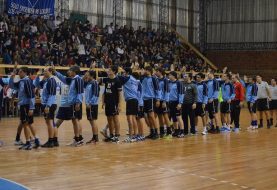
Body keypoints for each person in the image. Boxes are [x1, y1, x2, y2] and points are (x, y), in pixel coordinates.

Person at [9, 67, 40, 150]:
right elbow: (12, 86)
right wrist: (12, 77)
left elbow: (31, 95)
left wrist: (31, 108)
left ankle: (28, 143)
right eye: (19, 72)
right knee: (28, 123)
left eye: (20, 72)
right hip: (23, 105)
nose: (19, 73)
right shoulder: (21, 82)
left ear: (25, 72)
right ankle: (36, 141)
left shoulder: (27, 81)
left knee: (26, 123)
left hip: (26, 105)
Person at [54, 65, 84, 146]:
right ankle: (77, 139)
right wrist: (55, 71)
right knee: (74, 121)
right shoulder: (72, 80)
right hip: (72, 103)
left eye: (70, 70)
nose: (69, 72)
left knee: (75, 121)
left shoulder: (78, 79)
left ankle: (77, 140)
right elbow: (63, 78)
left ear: (74, 71)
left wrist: (78, 103)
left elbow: (80, 92)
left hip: (75, 103)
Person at [34, 68, 58, 148]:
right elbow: (37, 85)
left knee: (49, 122)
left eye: (45, 71)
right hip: (49, 104)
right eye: (43, 71)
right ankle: (55, 141)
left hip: (49, 104)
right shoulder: (46, 80)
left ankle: (50, 141)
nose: (44, 72)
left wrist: (48, 106)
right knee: (52, 122)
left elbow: (52, 94)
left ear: (50, 72)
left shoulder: (51, 81)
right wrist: (37, 76)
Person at [101, 66, 122, 143]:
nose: (108, 70)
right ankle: (111, 135)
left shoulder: (117, 80)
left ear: (114, 71)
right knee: (109, 118)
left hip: (114, 103)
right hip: (108, 102)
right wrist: (103, 102)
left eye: (110, 70)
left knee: (115, 119)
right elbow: (105, 91)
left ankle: (117, 135)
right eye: (108, 69)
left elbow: (119, 93)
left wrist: (119, 104)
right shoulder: (106, 79)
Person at [118, 67, 139, 143]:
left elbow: (117, 76)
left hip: (130, 100)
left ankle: (130, 136)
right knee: (133, 118)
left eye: (124, 72)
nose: (123, 73)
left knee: (129, 119)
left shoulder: (127, 78)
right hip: (135, 100)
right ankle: (135, 136)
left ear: (127, 73)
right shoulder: (134, 79)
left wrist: (120, 72)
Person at [141, 66, 161, 140]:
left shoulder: (153, 78)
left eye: (145, 70)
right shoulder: (143, 78)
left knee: (152, 116)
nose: (144, 71)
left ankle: (156, 133)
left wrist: (158, 99)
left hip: (151, 99)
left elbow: (158, 89)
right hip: (144, 99)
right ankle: (152, 132)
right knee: (148, 117)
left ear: (149, 71)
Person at [84, 70, 99, 143]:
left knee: (93, 121)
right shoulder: (88, 83)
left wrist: (90, 103)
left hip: (92, 105)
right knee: (91, 121)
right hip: (88, 105)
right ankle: (94, 137)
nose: (87, 76)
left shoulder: (94, 83)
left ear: (92, 76)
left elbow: (96, 94)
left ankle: (96, 138)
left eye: (88, 75)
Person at [155, 67, 171, 138]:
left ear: (160, 72)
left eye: (157, 71)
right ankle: (162, 132)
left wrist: (165, 101)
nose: (155, 72)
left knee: (165, 116)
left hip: (164, 100)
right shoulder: (156, 79)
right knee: (159, 116)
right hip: (158, 100)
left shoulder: (165, 80)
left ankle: (169, 132)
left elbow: (167, 91)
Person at [168, 71, 184, 137]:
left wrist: (180, 103)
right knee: (173, 117)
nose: (169, 76)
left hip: (176, 102)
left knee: (178, 117)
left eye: (170, 75)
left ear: (174, 76)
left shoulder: (179, 83)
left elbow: (181, 94)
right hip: (170, 102)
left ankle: (182, 132)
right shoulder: (169, 83)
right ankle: (176, 131)